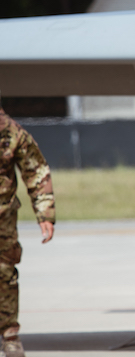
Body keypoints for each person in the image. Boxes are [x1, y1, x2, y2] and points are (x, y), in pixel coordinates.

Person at [0, 100, 56, 357]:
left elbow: (35, 171)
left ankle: (10, 335)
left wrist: (45, 213)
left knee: (4, 274)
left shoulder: (10, 132)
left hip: (3, 219)